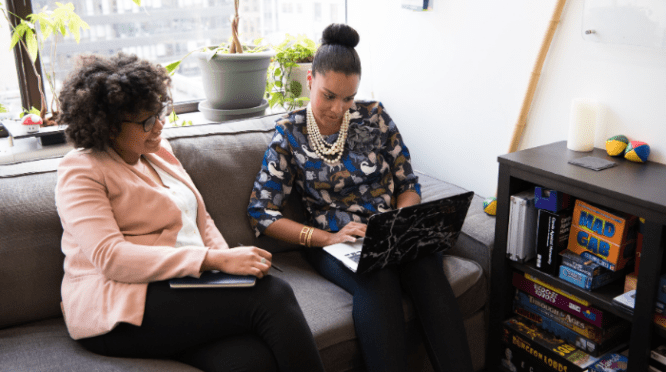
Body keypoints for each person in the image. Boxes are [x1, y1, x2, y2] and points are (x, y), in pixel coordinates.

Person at [55, 52, 325, 372]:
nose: (159, 124)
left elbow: (200, 218)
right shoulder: (81, 170)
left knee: (251, 360)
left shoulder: (157, 151)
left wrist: (228, 270)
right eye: (146, 120)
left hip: (179, 289)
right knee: (272, 293)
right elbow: (111, 258)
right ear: (109, 126)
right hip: (118, 307)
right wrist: (214, 261)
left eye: (160, 111)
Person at [247, 23, 474, 372]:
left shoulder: (376, 117)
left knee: (426, 265)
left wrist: (401, 222)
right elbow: (261, 213)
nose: (339, 109)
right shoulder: (289, 135)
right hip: (335, 242)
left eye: (348, 98)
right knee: (377, 278)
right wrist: (328, 237)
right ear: (310, 81)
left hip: (390, 231)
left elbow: (408, 183)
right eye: (329, 95)